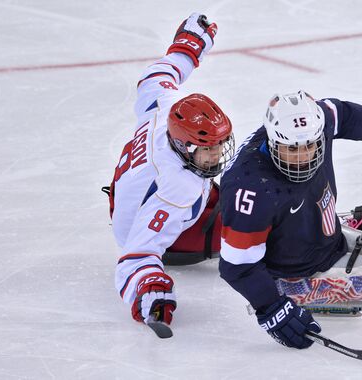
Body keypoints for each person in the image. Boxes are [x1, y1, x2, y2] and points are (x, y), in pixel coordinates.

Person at [218, 91, 362, 349]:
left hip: (317, 233)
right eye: (291, 148)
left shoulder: (311, 124)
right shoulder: (248, 189)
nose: (302, 156)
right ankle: (293, 288)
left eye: (309, 145)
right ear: (273, 142)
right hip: (290, 267)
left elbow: (340, 113)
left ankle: (328, 225)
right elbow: (236, 265)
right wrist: (271, 306)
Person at [106, 13, 234, 328]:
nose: (217, 154)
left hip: (132, 191)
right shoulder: (176, 190)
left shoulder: (166, 106)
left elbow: (159, 74)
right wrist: (149, 288)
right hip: (152, 222)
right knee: (248, 227)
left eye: (219, 144)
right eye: (208, 149)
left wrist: (188, 46)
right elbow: (137, 253)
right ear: (184, 147)